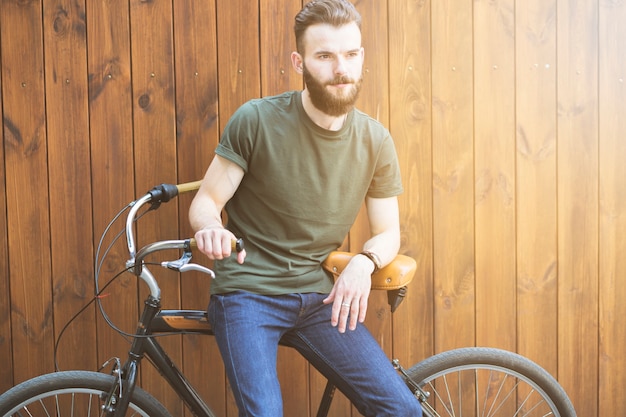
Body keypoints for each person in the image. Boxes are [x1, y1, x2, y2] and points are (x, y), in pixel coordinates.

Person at [189, 1, 423, 415]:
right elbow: (207, 202)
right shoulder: (256, 120)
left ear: (362, 55)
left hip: (321, 298)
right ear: (299, 61)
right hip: (248, 294)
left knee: (402, 411)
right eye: (325, 56)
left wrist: (362, 263)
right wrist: (210, 227)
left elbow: (389, 233)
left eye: (350, 54)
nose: (341, 69)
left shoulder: (376, 141)